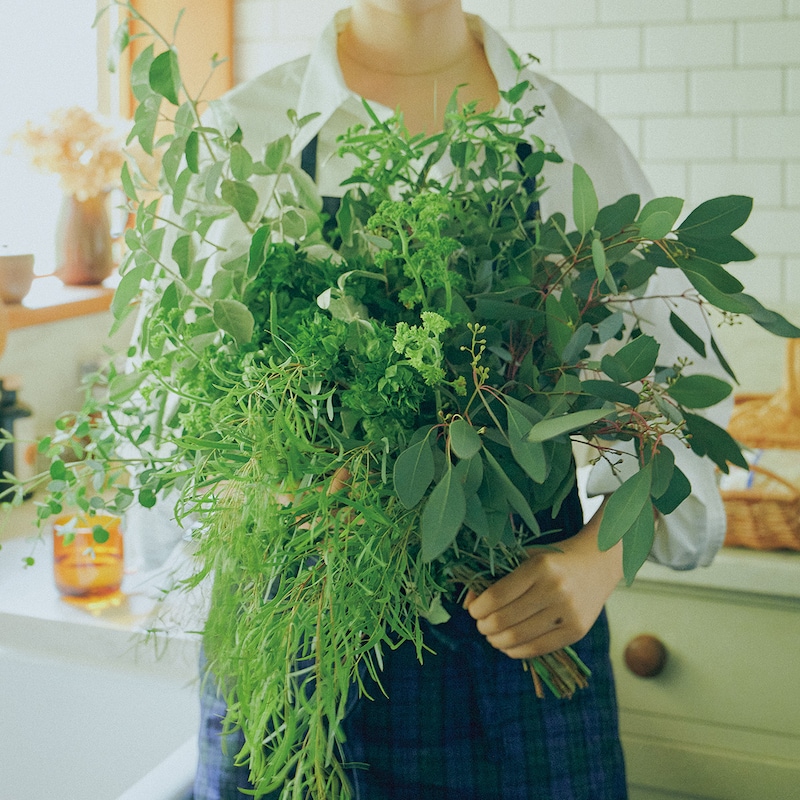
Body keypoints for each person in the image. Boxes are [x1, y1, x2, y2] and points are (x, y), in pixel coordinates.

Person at [189, 2, 729, 798]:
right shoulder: (244, 135)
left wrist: (598, 559)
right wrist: (260, 488)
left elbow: (665, 400)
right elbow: (181, 409)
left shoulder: (567, 143)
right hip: (291, 654)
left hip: (517, 647)